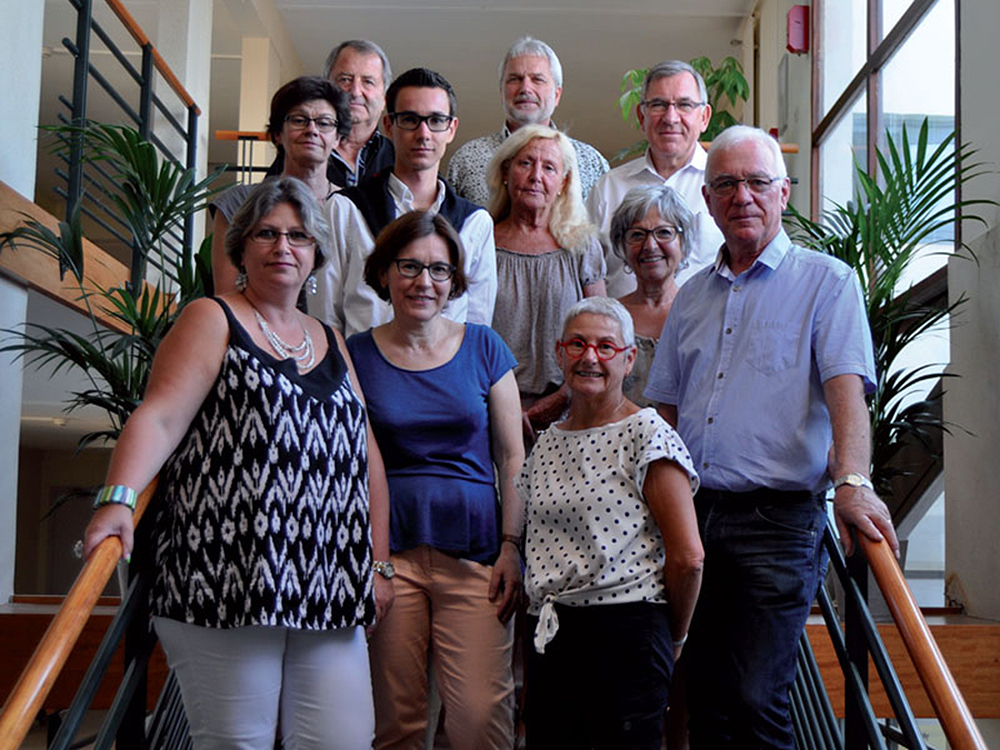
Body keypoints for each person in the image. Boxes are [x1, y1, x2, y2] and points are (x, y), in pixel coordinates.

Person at [82, 178, 393, 749]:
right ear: (242, 248)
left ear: (316, 254)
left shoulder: (330, 337)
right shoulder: (212, 317)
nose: (283, 247)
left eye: (298, 236)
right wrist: (117, 499)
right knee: (236, 743)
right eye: (267, 234)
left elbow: (365, 455)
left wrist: (377, 564)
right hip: (227, 572)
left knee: (343, 740)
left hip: (327, 579)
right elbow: (159, 418)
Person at [644, 125, 900, 749]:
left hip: (777, 524)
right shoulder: (690, 299)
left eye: (758, 182)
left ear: (783, 192)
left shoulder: (827, 282)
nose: (743, 196)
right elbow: (665, 412)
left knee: (758, 699)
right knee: (702, 692)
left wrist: (854, 483)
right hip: (694, 519)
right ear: (707, 201)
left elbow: (847, 395)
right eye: (726, 184)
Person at [346, 211, 524, 750]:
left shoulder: (485, 347)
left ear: (454, 282)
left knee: (478, 720)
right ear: (384, 274)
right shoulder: (354, 355)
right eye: (410, 267)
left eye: (439, 271)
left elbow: (513, 456)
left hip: (477, 556)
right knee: (396, 722)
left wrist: (513, 547)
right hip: (389, 558)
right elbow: (353, 462)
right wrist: (371, 563)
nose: (425, 282)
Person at [516, 296, 703, 749]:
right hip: (551, 634)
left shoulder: (648, 433)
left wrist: (673, 636)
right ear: (561, 353)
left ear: (629, 358)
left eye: (605, 347)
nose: (590, 357)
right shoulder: (546, 444)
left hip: (627, 635)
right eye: (577, 345)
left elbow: (689, 558)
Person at [313, 67, 497, 337]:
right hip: (361, 373)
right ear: (389, 126)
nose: (423, 133)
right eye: (410, 119)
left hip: (446, 377)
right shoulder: (345, 210)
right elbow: (326, 320)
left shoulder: (475, 223)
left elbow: (477, 331)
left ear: (451, 128)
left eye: (436, 120)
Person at [486, 123, 606, 437]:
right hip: (491, 408)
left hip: (572, 409)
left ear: (564, 181)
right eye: (525, 163)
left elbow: (602, 333)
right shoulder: (480, 241)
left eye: (549, 167)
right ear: (505, 172)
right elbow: (464, 334)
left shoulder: (581, 245)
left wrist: (564, 396)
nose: (536, 176)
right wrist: (506, 407)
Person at [587, 60, 724, 296]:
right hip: (622, 330)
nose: (671, 117)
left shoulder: (725, 186)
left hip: (706, 331)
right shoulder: (608, 189)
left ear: (704, 117)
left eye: (684, 105)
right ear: (642, 115)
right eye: (659, 105)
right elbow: (584, 272)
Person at [211, 76, 352, 294]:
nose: (312, 130)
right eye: (299, 120)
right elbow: (227, 293)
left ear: (337, 138)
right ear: (277, 133)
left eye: (324, 123)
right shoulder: (238, 202)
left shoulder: (352, 207)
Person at [447, 36, 609, 207]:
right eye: (515, 79)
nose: (525, 88)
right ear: (501, 91)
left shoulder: (590, 162)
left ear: (557, 94)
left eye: (537, 79)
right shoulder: (466, 160)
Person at [610, 184, 695, 408]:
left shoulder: (702, 313)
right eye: (637, 235)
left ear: (683, 243)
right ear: (622, 246)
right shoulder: (608, 320)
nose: (650, 245)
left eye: (664, 233)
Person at [267, 39, 395, 187]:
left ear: (384, 98)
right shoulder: (297, 152)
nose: (355, 91)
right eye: (345, 79)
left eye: (368, 82)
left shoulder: (400, 160)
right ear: (327, 87)